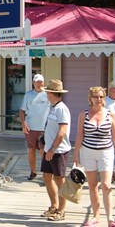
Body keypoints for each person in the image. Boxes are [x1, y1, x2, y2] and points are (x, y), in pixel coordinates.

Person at [73, 86, 115, 227]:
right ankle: (96, 217)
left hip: (106, 152)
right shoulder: (84, 114)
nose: (99, 99)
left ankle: (110, 219)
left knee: (107, 185)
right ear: (90, 98)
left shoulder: (110, 114)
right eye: (96, 97)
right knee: (93, 186)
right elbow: (79, 135)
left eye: (101, 96)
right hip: (88, 152)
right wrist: (75, 154)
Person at [40, 79, 71, 222]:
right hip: (49, 149)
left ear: (52, 93)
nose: (46, 93)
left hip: (58, 151)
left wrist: (53, 148)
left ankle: (61, 210)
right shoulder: (53, 107)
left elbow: (62, 131)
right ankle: (53, 206)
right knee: (47, 177)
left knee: (60, 180)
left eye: (48, 91)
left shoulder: (61, 108)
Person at [19, 73, 51, 180]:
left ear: (44, 82)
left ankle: (45, 175)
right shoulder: (28, 95)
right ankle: (33, 172)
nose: (39, 84)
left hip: (44, 129)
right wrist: (23, 124)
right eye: (37, 82)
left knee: (43, 152)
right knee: (31, 150)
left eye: (41, 82)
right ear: (33, 83)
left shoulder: (48, 94)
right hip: (31, 128)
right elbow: (22, 111)